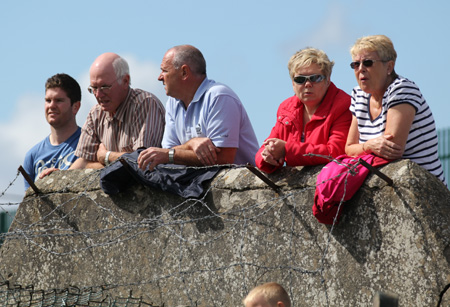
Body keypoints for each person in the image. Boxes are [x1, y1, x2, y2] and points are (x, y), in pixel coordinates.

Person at [137, 45, 259, 171]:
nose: (160, 77)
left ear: (184, 72)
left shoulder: (219, 96)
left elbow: (223, 159)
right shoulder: (172, 102)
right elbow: (168, 151)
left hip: (243, 187)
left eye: (165, 71)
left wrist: (170, 155)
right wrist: (191, 144)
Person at [345, 35, 446, 185]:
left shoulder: (402, 89)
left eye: (368, 63)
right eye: (355, 64)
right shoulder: (358, 95)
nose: (361, 69)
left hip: (421, 188)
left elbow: (392, 150)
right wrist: (369, 146)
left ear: (389, 67)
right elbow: (349, 148)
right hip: (381, 184)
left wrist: (362, 149)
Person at [255, 47, 352, 173]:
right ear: (293, 84)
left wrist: (287, 150)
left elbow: (335, 152)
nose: (307, 84)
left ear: (328, 80)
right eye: (300, 79)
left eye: (315, 78)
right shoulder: (286, 108)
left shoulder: (344, 105)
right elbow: (262, 151)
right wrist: (268, 156)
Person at [71, 52, 165, 169]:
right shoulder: (95, 113)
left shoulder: (145, 104)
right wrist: (59, 175)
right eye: (94, 88)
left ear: (125, 81)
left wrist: (106, 157)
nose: (98, 94)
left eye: (105, 87)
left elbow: (141, 161)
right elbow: (83, 163)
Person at [23, 73, 81, 190]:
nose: (52, 106)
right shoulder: (32, 156)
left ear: (75, 106)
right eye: (48, 100)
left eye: (59, 100)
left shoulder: (89, 143)